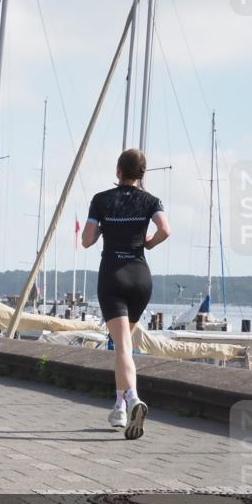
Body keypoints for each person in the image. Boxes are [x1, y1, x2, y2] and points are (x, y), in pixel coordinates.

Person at [82, 148, 170, 440]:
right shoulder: (151, 200)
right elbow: (165, 230)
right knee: (123, 347)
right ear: (141, 174)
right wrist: (150, 244)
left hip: (113, 276)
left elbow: (87, 240)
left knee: (121, 348)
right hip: (141, 278)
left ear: (118, 171)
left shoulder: (101, 200)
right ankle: (119, 408)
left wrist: (96, 227)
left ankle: (132, 399)